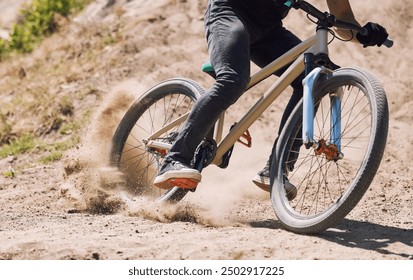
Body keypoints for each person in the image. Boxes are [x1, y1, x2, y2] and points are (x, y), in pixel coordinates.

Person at [153, 0, 388, 190]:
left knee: (314, 77)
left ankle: (276, 169)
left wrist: (363, 34)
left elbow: (343, 19)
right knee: (233, 80)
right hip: (230, 13)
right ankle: (175, 158)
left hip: (268, 31)